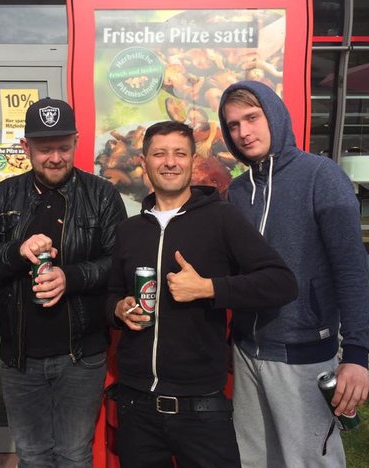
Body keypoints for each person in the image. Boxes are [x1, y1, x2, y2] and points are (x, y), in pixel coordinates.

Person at [106, 120, 298, 468]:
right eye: (159, 154)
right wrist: (119, 309)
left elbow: (281, 282)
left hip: (201, 407)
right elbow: (110, 294)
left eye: (179, 154)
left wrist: (209, 288)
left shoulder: (222, 218)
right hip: (136, 404)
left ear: (193, 161)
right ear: (144, 161)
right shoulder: (128, 230)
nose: (170, 162)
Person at [218, 80, 369, 468]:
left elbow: (352, 270)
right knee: (254, 460)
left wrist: (356, 353)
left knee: (309, 461)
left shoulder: (322, 176)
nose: (243, 132)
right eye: (233, 125)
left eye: (252, 118)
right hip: (247, 351)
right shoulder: (237, 192)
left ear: (274, 115)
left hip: (304, 354)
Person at [0, 97, 127, 467]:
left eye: (63, 147)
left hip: (82, 356)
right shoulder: (4, 194)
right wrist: (17, 250)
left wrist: (68, 278)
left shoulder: (102, 194)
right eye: (45, 149)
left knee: (74, 455)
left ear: (76, 142)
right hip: (20, 357)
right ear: (26, 146)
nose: (55, 158)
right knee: (32, 455)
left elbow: (118, 264)